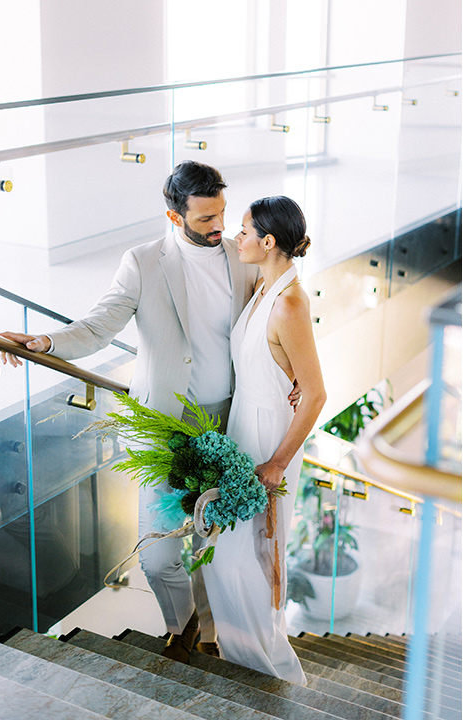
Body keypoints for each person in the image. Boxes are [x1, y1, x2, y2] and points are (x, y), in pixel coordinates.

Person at [0, 161, 300, 664]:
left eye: (222, 214)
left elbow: (276, 317)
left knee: (216, 544)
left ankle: (208, 634)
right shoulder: (142, 262)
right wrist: (44, 341)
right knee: (159, 556)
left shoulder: (243, 256)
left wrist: (292, 377)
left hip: (229, 424)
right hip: (164, 429)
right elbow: (97, 326)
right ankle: (178, 624)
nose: (219, 226)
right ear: (173, 215)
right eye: (206, 218)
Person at [202, 196, 326, 685]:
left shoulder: (290, 301)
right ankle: (245, 661)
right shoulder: (264, 283)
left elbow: (315, 394)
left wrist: (276, 463)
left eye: (244, 230)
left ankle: (272, 672)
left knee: (254, 556)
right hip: (243, 427)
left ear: (268, 242)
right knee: (229, 556)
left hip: (270, 438)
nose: (237, 237)